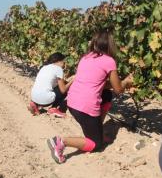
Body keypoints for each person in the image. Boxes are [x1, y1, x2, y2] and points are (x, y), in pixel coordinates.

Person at [46, 30, 133, 164]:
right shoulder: (109, 61)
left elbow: (98, 84)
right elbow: (118, 89)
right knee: (95, 144)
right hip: (85, 107)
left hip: (72, 101)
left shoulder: (86, 58)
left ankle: (97, 130)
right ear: (109, 44)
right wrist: (126, 82)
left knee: (106, 95)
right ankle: (61, 142)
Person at [28, 52, 73, 118]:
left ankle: (35, 104)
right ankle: (53, 108)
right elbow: (63, 90)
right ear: (59, 61)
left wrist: (68, 80)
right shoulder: (58, 69)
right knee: (65, 88)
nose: (64, 64)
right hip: (45, 100)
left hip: (33, 97)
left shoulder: (44, 67)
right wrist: (73, 80)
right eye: (64, 62)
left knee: (47, 88)